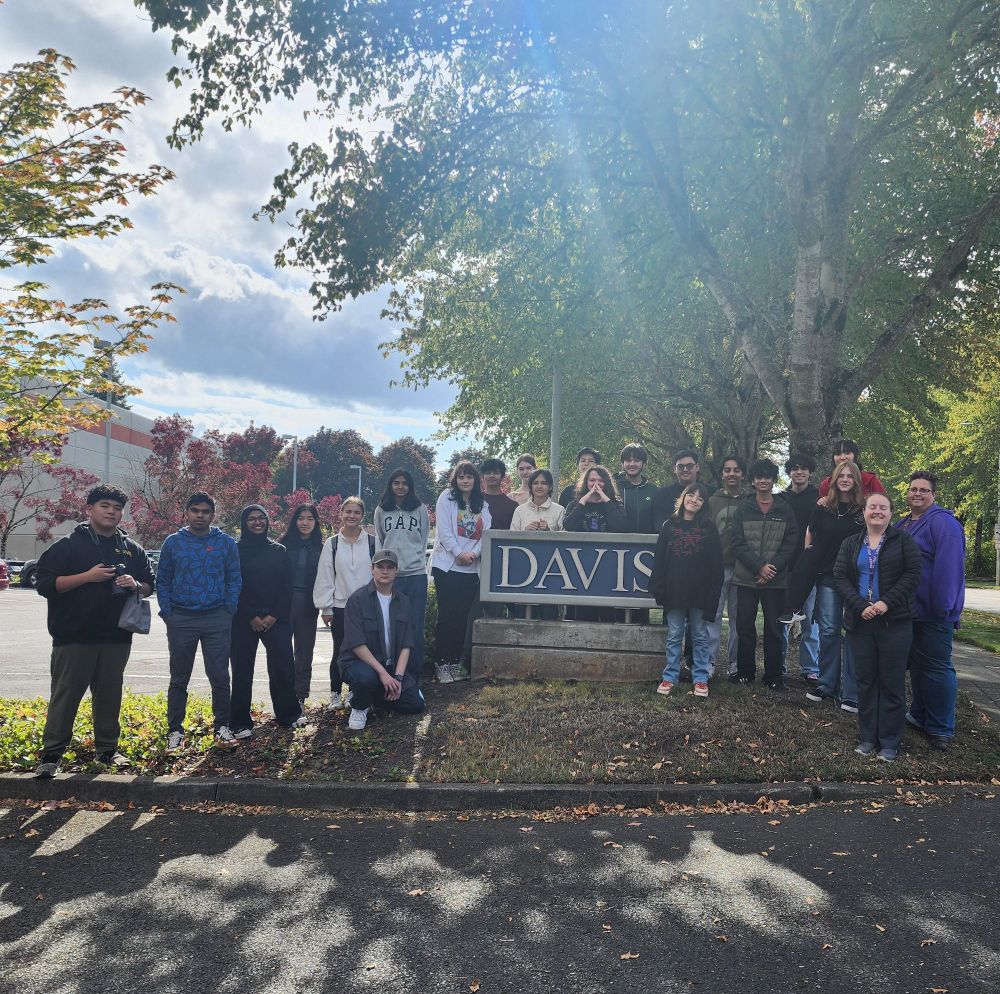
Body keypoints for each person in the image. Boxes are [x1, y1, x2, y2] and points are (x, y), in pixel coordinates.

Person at [33, 485, 155, 778]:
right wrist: (87, 577)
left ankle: (107, 750)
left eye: (117, 508)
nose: (111, 511)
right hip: (74, 635)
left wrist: (135, 585)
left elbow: (151, 584)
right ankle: (52, 754)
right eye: (105, 506)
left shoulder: (130, 547)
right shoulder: (69, 545)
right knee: (65, 695)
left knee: (110, 696)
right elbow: (45, 584)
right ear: (89, 509)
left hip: (116, 636)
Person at [834, 493, 922, 762]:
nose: (877, 511)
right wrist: (860, 605)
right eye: (873, 507)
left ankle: (890, 742)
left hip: (894, 622)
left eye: (883, 507)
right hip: (860, 622)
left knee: (892, 682)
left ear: (890, 513)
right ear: (864, 512)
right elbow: (840, 576)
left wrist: (886, 602)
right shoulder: (851, 543)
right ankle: (868, 737)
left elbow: (912, 574)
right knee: (866, 680)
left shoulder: (904, 541)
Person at [158, 492, 242, 751]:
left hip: (216, 616)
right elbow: (162, 580)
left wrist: (228, 609)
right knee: (179, 677)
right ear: (186, 512)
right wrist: (168, 612)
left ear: (213, 515)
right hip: (181, 617)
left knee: (219, 675)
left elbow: (234, 578)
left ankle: (222, 726)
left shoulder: (225, 543)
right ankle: (175, 730)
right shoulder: (173, 543)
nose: (200, 515)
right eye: (195, 510)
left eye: (205, 511)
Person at [896, 471, 966, 750]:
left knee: (936, 668)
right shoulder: (905, 524)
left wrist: (943, 607)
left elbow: (950, 569)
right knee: (919, 668)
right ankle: (919, 715)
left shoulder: (943, 524)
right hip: (908, 611)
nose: (917, 493)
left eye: (924, 490)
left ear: (933, 495)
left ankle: (940, 728)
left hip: (934, 612)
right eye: (913, 489)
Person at [229, 505, 304, 738]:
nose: (257, 522)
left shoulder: (279, 550)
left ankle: (288, 714)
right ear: (244, 523)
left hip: (276, 618)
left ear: (268, 521)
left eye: (262, 518)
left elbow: (287, 587)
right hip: (244, 619)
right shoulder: (234, 550)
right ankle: (240, 722)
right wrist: (251, 615)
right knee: (242, 670)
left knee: (283, 667)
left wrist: (273, 615)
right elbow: (233, 585)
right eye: (251, 519)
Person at [798, 461, 866, 711]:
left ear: (856, 480)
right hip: (827, 577)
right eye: (841, 475)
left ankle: (851, 693)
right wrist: (809, 554)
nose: (845, 479)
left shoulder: (863, 510)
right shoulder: (824, 507)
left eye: (850, 476)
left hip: (856, 580)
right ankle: (827, 685)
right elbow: (810, 531)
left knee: (853, 633)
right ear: (835, 479)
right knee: (828, 631)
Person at [649, 482, 724, 698]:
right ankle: (670, 675)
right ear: (683, 497)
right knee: (674, 634)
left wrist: (712, 594)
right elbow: (660, 560)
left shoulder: (709, 528)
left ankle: (700, 677)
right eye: (691, 495)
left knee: (700, 635)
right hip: (674, 590)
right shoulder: (669, 526)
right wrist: (659, 587)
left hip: (699, 591)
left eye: (700, 498)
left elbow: (716, 565)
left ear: (704, 504)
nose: (694, 500)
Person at [730, 459, 799, 690]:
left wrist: (771, 568)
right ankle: (745, 672)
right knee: (745, 627)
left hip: (775, 581)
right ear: (752, 481)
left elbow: (791, 542)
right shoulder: (744, 509)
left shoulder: (784, 508)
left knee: (774, 628)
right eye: (759, 476)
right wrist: (759, 566)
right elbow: (737, 542)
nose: (763, 480)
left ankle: (773, 676)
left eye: (768, 476)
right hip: (746, 578)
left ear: (773, 480)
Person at [338, 550, 426, 731]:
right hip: (359, 663)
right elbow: (356, 644)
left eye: (390, 567)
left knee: (415, 704)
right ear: (372, 569)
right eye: (380, 566)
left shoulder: (404, 601)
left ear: (396, 571)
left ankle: (373, 698)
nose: (385, 571)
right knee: (365, 678)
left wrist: (398, 679)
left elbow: (406, 644)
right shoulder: (357, 600)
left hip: (391, 666)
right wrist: (383, 675)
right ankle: (359, 706)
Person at [313, 496, 376, 709]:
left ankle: (354, 693)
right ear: (341, 514)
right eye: (348, 511)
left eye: (356, 512)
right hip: (340, 607)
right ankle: (335, 693)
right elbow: (325, 576)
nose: (352, 516)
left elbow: (380, 576)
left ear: (362, 516)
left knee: (364, 651)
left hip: (367, 608)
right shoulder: (332, 544)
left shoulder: (372, 543)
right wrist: (326, 607)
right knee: (339, 652)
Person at [431, 460, 491, 682]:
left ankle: (455, 664)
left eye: (469, 477)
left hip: (470, 569)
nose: (465, 481)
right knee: (446, 616)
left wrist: (473, 554)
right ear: (455, 479)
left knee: (461, 618)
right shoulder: (446, 498)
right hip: (447, 566)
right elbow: (444, 531)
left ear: (475, 480)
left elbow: (487, 533)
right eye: (461, 477)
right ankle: (442, 663)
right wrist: (458, 553)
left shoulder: (482, 504)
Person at [374, 469, 431, 681]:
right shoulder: (382, 509)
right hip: (392, 577)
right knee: (391, 626)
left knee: (414, 626)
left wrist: (415, 559)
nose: (400, 486)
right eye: (396, 482)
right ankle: (391, 674)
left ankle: (412, 678)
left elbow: (424, 539)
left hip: (415, 575)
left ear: (410, 486)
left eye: (404, 483)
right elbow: (380, 540)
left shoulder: (419, 509)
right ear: (390, 485)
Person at [565, 465, 628, 622]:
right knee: (583, 615)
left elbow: (621, 526)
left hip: (607, 566)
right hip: (581, 565)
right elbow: (569, 525)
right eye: (592, 480)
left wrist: (606, 500)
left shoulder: (615, 504)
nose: (596, 484)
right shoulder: (575, 504)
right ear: (586, 482)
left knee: (608, 614)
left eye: (600, 481)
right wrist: (584, 501)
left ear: (606, 483)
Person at [780, 453, 820, 681]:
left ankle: (811, 668)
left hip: (809, 566)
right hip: (784, 566)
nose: (799, 472)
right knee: (783, 619)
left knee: (810, 622)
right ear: (789, 472)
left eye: (803, 468)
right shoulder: (781, 498)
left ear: (809, 471)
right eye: (794, 468)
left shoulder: (820, 497)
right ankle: (779, 665)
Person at [278, 503, 323, 707]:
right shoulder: (282, 545)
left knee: (304, 652)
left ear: (316, 522)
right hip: (284, 604)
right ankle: (283, 695)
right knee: (282, 651)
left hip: (308, 605)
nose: (305, 523)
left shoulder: (321, 548)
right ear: (294, 521)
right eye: (301, 518)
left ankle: (300, 696)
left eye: (310, 518)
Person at [707, 454, 745, 679]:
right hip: (716, 568)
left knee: (738, 620)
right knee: (712, 618)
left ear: (743, 474)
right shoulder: (712, 501)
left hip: (741, 569)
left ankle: (736, 664)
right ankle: (709, 662)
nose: (732, 473)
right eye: (727, 470)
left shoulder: (749, 502)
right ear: (722, 474)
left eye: (736, 470)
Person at [510, 468, 564, 621]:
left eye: (544, 483)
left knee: (549, 614)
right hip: (524, 570)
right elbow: (510, 538)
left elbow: (567, 539)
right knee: (523, 614)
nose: (539, 486)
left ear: (550, 487)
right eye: (536, 483)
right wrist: (526, 531)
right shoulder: (520, 511)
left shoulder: (559, 510)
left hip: (551, 571)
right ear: (531, 486)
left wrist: (549, 531)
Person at [817, 439, 887, 499]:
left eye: (847, 453)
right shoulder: (827, 484)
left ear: (855, 456)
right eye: (838, 454)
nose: (842, 457)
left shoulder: (870, 480)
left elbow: (884, 505)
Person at [652, 449, 701, 531]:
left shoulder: (709, 492)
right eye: (680, 466)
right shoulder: (663, 494)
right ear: (674, 469)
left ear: (697, 467)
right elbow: (659, 525)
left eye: (689, 466)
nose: (685, 469)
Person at [615, 443, 657, 534]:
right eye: (628, 460)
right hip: (616, 544)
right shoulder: (613, 487)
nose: (632, 464)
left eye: (636, 460)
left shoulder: (653, 490)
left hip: (646, 545)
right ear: (622, 463)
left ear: (644, 464)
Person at [480, 457, 518, 528]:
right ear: (482, 477)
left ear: (502, 476)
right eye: (488, 473)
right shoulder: (474, 500)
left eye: (496, 473)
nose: (492, 476)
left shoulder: (512, 506)